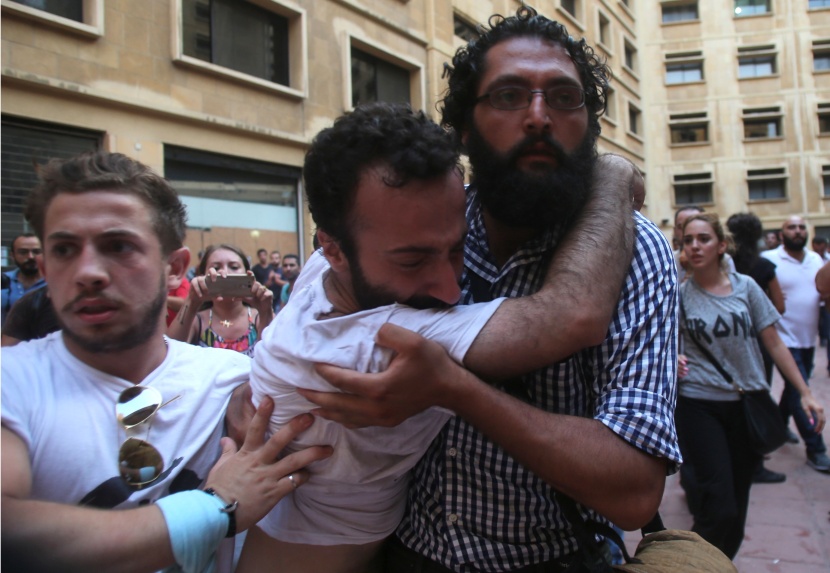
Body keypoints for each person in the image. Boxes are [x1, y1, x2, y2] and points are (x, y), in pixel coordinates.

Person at [297, 8, 691, 571]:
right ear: (462, 128)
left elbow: (633, 492)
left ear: (590, 126)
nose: (538, 117)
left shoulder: (637, 251)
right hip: (399, 551)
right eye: (508, 96)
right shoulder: (418, 228)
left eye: (563, 97)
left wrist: (457, 389)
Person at [239, 102, 637, 573]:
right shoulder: (383, 337)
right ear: (333, 248)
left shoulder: (318, 277)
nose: (451, 288)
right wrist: (614, 172)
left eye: (457, 248)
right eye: (412, 261)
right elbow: (574, 315)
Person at [0, 151, 333, 573]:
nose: (87, 272)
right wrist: (212, 511)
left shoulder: (231, 378)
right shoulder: (11, 380)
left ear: (174, 267)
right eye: (65, 249)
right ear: (46, 268)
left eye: (118, 246)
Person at [676, 213, 825, 558]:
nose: (695, 246)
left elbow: (773, 342)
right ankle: (688, 564)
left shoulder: (746, 287)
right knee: (720, 505)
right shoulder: (679, 295)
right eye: (688, 240)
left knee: (738, 510)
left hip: (746, 404)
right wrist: (673, 358)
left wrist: (805, 393)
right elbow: (664, 344)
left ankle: (720, 564)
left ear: (722, 245)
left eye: (704, 239)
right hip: (699, 405)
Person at [761, 216, 830, 473]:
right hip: (782, 339)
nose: (798, 231)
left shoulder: (816, 260)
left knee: (794, 390)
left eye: (802, 227)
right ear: (782, 233)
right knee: (801, 391)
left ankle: (778, 427)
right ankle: (816, 449)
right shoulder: (770, 260)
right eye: (792, 227)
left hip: (807, 338)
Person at [726, 212, 787, 484]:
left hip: (727, 340)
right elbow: (779, 307)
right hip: (759, 344)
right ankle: (756, 464)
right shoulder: (763, 266)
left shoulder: (724, 266)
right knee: (758, 400)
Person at [168, 244, 274, 357]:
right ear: (203, 275)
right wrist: (191, 301)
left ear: (248, 274)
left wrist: (265, 312)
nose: (225, 273)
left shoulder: (258, 317)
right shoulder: (197, 321)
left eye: (234, 267)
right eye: (216, 268)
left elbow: (274, 359)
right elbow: (169, 355)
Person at [1, 233, 47, 324]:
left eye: (36, 252)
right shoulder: (3, 280)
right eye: (23, 252)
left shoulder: (56, 283)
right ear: (12, 256)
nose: (30, 256)